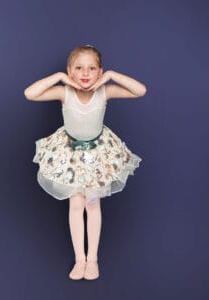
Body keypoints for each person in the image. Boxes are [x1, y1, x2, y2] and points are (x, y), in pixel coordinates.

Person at [24, 44, 147, 280]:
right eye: (79, 68)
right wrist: (60, 78)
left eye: (92, 68)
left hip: (97, 154)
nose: (85, 73)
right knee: (76, 205)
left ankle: (93, 260)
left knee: (92, 205)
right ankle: (79, 259)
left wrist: (110, 77)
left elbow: (140, 90)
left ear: (99, 72)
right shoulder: (65, 92)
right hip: (70, 153)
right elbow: (30, 94)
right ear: (71, 72)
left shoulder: (105, 91)